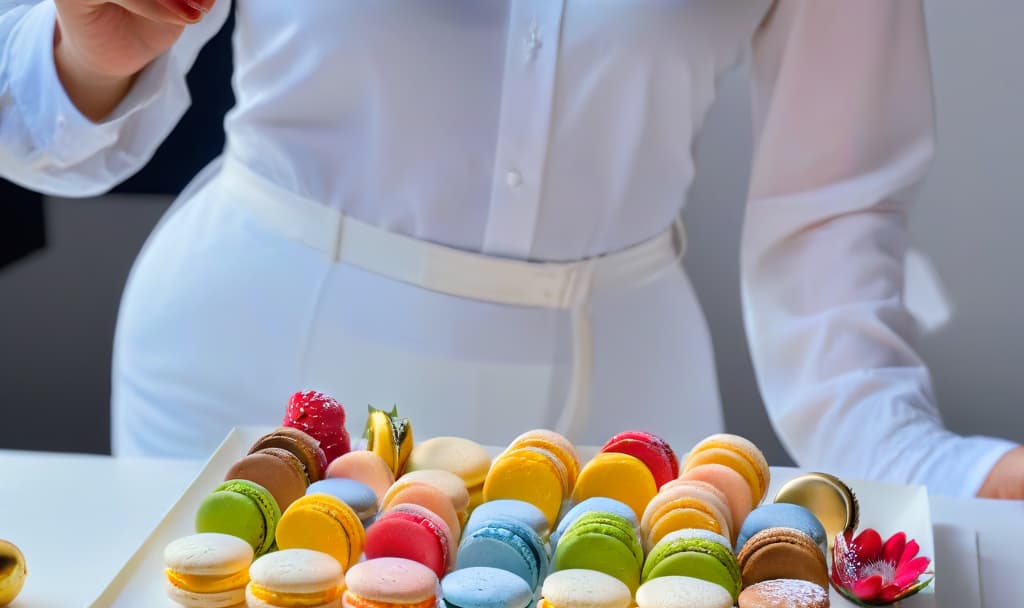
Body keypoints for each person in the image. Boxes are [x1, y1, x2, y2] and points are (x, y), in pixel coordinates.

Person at [1, 1, 1021, 499]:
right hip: (249, 376)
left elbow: (833, 209)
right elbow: (37, 126)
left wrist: (922, 467)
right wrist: (89, 51)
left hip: (625, 411)